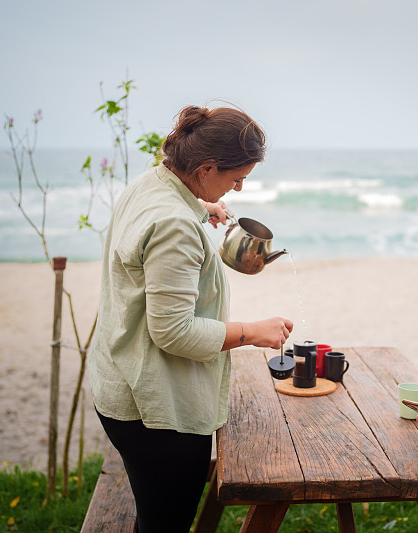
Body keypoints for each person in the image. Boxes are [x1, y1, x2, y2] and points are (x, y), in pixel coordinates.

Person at [88, 104, 293, 533]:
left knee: (155, 516)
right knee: (167, 524)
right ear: (204, 168)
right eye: (236, 179)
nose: (237, 189)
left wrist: (202, 207)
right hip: (155, 410)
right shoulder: (174, 224)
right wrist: (252, 332)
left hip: (119, 382)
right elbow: (174, 331)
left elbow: (163, 225)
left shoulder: (153, 183)